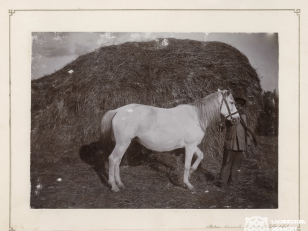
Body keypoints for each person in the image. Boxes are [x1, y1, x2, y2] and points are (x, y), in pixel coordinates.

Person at [219, 96, 256, 188]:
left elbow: (246, 131)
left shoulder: (243, 117)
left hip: (240, 145)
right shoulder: (228, 116)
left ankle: (232, 183)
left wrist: (247, 143)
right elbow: (222, 127)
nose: (239, 107)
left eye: (240, 105)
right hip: (230, 143)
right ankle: (222, 183)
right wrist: (221, 124)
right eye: (237, 105)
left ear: (242, 107)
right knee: (226, 163)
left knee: (236, 165)